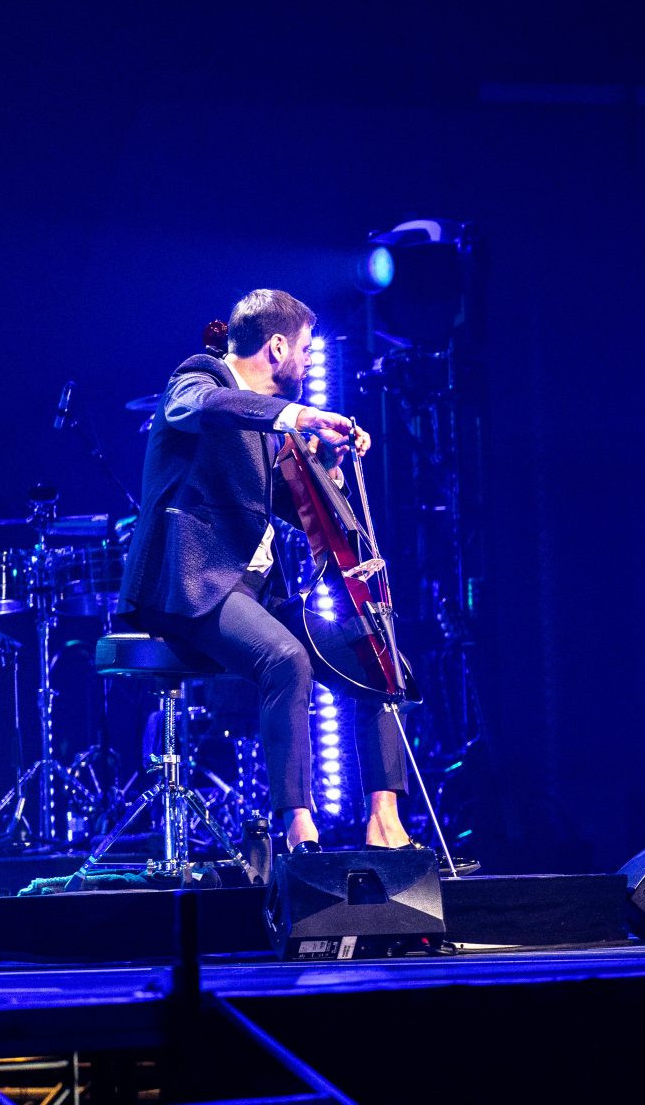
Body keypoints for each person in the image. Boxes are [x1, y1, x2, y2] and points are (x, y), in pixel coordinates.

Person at [118, 288, 430, 860]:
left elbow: (298, 507)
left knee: (378, 658)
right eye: (306, 350)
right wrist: (300, 417)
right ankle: (298, 834)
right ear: (278, 346)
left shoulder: (270, 432)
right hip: (195, 587)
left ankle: (386, 824)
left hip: (254, 593)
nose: (308, 363)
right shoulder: (199, 378)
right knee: (286, 659)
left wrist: (330, 466)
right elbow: (204, 407)